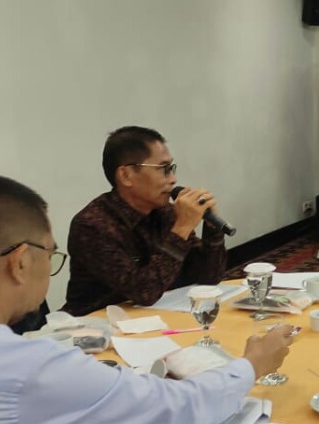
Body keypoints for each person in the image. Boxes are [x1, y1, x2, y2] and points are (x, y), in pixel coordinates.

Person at [0, 175, 292, 424]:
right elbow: (179, 408)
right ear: (20, 263)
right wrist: (252, 365)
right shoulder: (26, 370)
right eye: (50, 254)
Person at [63, 126, 227, 316]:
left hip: (154, 317)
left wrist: (212, 229)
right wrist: (182, 228)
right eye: (164, 169)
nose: (173, 179)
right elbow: (144, 292)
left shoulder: (165, 212)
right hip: (96, 324)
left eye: (172, 168)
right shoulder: (92, 225)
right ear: (126, 176)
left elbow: (209, 277)